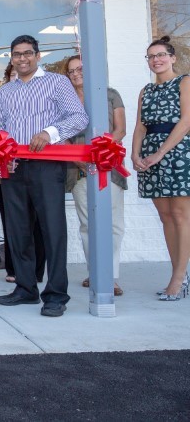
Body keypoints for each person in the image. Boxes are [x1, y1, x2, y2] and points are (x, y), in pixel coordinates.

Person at [0, 34, 88, 318]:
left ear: (38, 55)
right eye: (17, 54)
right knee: (17, 230)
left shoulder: (57, 83)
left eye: (27, 53)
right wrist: (2, 151)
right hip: (13, 167)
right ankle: (25, 288)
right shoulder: (6, 91)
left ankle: (56, 294)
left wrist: (49, 133)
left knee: (52, 230)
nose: (22, 58)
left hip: (47, 165)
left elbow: (78, 117)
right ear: (11, 58)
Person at [132, 36, 190, 301]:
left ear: (172, 57)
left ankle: (179, 279)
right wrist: (135, 155)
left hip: (177, 153)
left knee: (180, 215)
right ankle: (178, 273)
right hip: (150, 156)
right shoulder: (147, 90)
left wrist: (160, 153)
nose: (156, 60)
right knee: (165, 215)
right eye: (151, 56)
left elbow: (186, 122)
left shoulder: (185, 82)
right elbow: (141, 127)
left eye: (161, 55)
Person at [63, 54, 127, 296]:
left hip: (109, 167)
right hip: (79, 169)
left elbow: (120, 129)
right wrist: (78, 159)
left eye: (80, 68)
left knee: (113, 224)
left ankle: (111, 277)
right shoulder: (65, 101)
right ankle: (96, 273)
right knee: (88, 224)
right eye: (71, 71)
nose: (76, 73)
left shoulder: (110, 94)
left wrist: (102, 152)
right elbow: (62, 133)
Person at [0, 61, 46, 284]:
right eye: (12, 75)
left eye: (20, 75)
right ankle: (16, 272)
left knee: (39, 223)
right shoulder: (3, 98)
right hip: (7, 170)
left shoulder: (42, 98)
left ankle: (37, 272)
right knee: (13, 223)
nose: (17, 78)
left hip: (40, 168)